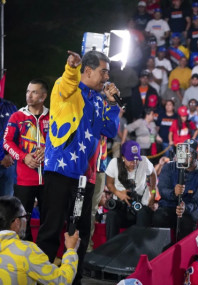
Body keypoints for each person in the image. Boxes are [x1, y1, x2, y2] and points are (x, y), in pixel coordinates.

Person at [36, 50, 120, 284]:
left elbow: (110, 131)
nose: (107, 77)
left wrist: (112, 105)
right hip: (60, 171)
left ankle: (75, 279)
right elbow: (68, 81)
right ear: (89, 71)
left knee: (81, 231)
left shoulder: (97, 100)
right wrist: (71, 67)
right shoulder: (66, 89)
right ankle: (41, 279)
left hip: (85, 178)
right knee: (51, 229)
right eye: (104, 72)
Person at [3, 79, 49, 241]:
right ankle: (25, 258)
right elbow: (7, 142)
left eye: (34, 92)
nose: (29, 95)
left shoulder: (54, 117)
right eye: (28, 91)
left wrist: (48, 151)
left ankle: (45, 259)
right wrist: (24, 157)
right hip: (24, 180)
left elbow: (62, 143)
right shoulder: (17, 117)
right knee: (22, 223)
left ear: (43, 96)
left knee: (48, 223)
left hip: (49, 180)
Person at [0, 196, 80, 284]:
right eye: (25, 216)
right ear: (17, 222)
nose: (26, 220)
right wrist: (71, 250)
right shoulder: (26, 251)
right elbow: (62, 281)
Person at [153, 139, 198, 241]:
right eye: (183, 151)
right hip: (168, 206)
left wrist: (185, 207)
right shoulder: (169, 167)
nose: (185, 155)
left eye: (189, 152)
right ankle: (159, 252)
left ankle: (182, 252)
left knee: (188, 220)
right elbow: (162, 189)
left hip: (188, 210)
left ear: (197, 155)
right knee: (158, 216)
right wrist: (173, 193)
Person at [105, 141, 157, 240]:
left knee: (144, 213)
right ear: (123, 157)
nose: (134, 163)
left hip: (140, 206)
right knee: (111, 215)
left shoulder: (144, 162)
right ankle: (111, 249)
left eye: (136, 159)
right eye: (131, 160)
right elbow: (109, 184)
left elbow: (153, 173)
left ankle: (139, 250)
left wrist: (153, 194)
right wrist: (119, 194)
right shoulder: (114, 163)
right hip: (121, 206)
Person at [0, 96, 17, 197]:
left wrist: (11, 154)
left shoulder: (10, 106)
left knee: (7, 207)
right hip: (5, 159)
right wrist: (1, 157)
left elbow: (17, 133)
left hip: (9, 165)